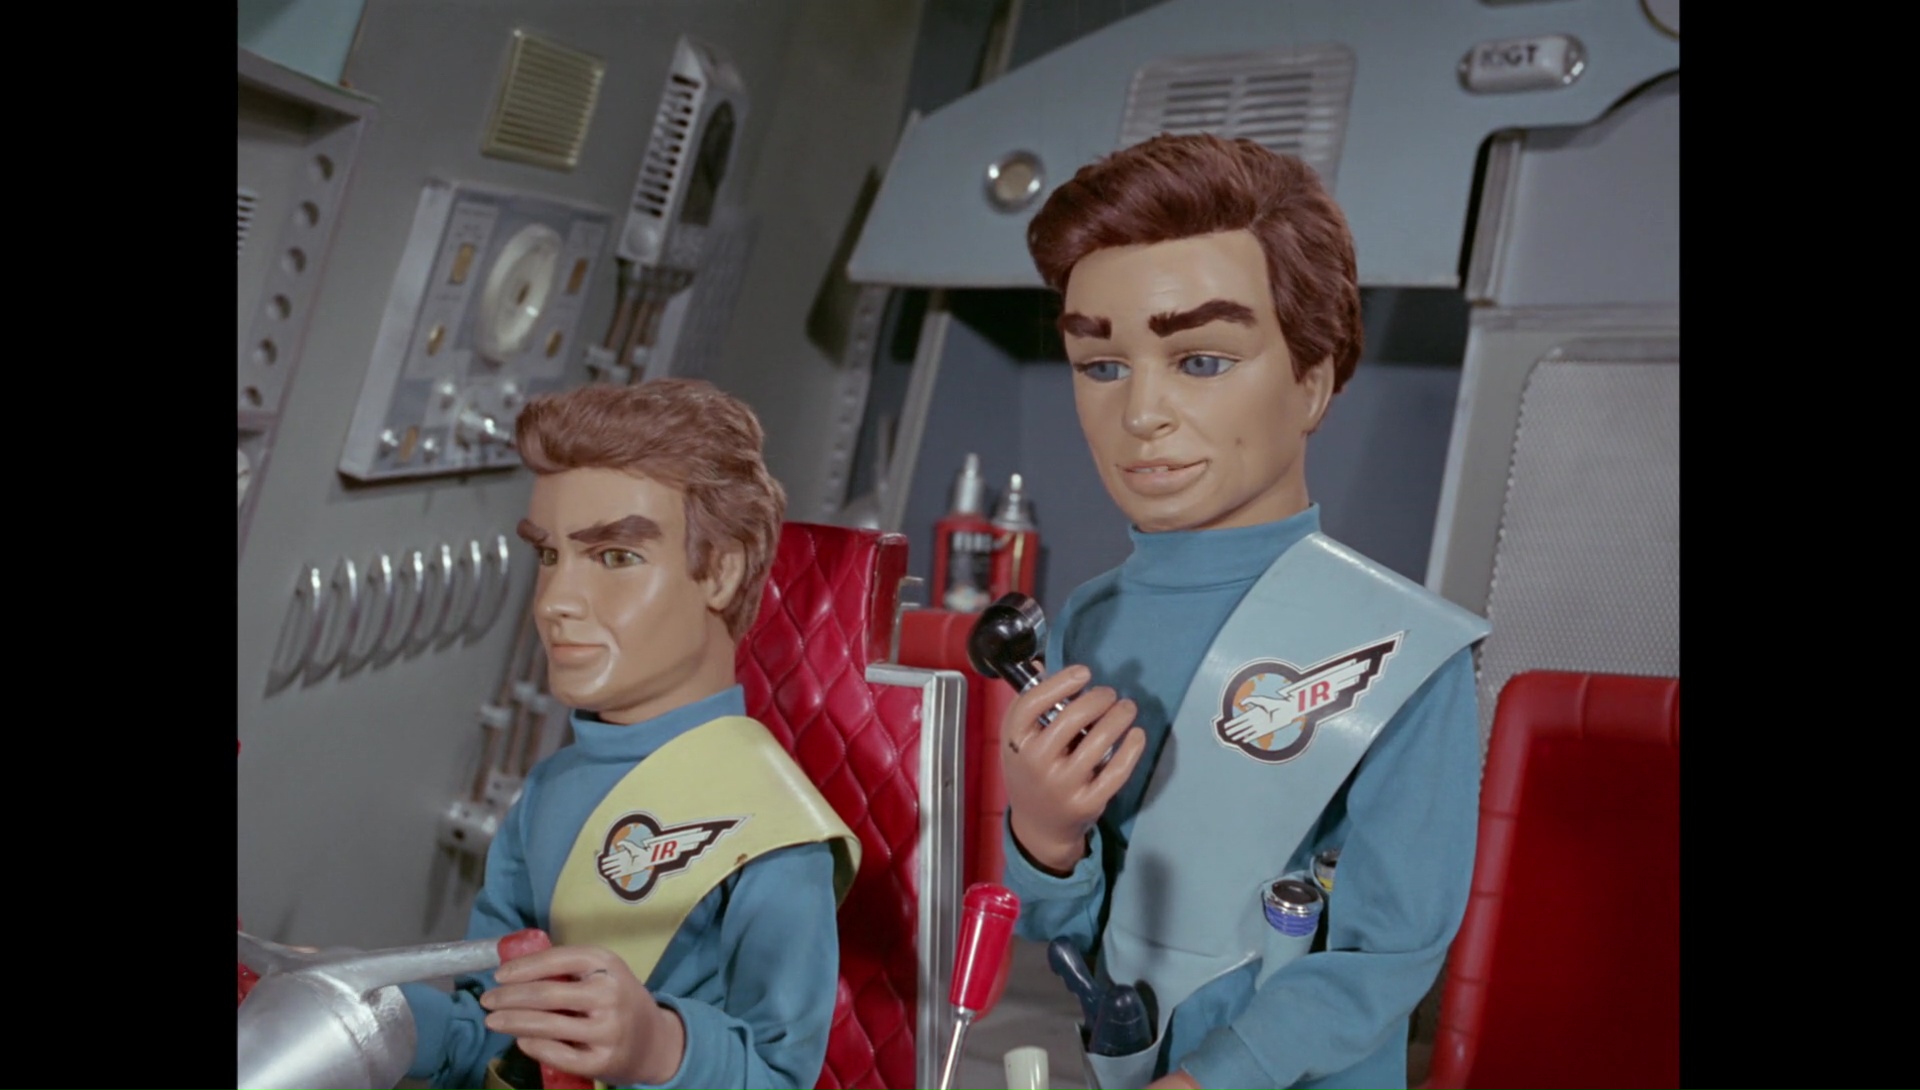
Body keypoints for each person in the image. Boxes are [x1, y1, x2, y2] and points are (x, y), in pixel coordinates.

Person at [997, 134, 1491, 1090]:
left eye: (1201, 359)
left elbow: (1386, 959)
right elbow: (1068, 936)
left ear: (1311, 381)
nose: (1141, 412)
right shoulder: (1089, 622)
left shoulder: (1408, 653)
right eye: (1101, 365)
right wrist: (1045, 841)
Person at [400, 378, 859, 1090]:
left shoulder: (774, 829)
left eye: (615, 557)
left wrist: (659, 1047)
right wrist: (368, 1015)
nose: (556, 602)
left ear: (721, 570)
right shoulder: (549, 790)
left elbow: (778, 1076)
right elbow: (488, 1032)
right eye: (549, 556)